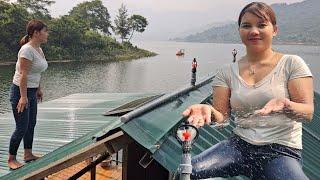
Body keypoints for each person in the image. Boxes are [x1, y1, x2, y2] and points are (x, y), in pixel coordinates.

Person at [182, 2, 313, 179]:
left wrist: (285, 104)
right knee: (187, 172)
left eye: (261, 25)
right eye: (246, 25)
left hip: (281, 150)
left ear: (275, 30)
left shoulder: (291, 64)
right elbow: (223, 118)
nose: (254, 31)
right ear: (239, 31)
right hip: (239, 146)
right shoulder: (226, 72)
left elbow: (307, 113)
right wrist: (210, 111)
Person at [8, 19, 48, 170]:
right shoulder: (26, 50)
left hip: (31, 91)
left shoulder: (38, 49)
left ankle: (28, 154)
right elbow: (23, 75)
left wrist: (38, 89)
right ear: (36, 33)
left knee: (31, 124)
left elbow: (36, 72)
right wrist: (23, 97)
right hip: (20, 91)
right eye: (45, 31)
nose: (47, 34)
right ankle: (11, 158)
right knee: (22, 127)